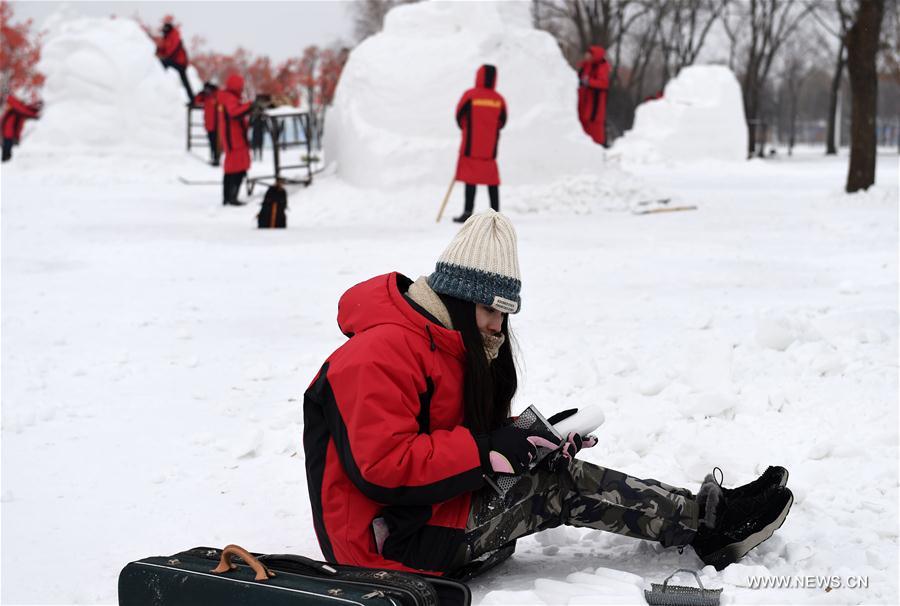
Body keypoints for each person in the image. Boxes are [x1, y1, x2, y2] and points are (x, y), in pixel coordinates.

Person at [302, 210, 794, 577]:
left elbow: (455, 439)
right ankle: (707, 524)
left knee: (553, 468)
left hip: (428, 511)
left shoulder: (452, 342)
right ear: (458, 296)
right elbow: (383, 466)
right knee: (554, 487)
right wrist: (488, 452)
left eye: (506, 313)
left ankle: (702, 515)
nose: (499, 326)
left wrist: (525, 441)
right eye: (491, 312)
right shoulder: (378, 355)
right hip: (387, 544)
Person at [452, 65, 507, 223]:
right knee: (491, 180)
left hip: (471, 146)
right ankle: (496, 214)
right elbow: (502, 121)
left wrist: (467, 128)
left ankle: (468, 211)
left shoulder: (470, 96)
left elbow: (459, 116)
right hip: (489, 148)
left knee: (471, 177)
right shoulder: (498, 99)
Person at [217, 73, 252, 206]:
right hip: (234, 139)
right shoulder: (230, 98)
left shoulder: (228, 97)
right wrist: (250, 106)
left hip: (235, 138)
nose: (242, 89)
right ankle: (232, 197)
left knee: (233, 168)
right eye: (241, 86)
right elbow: (234, 113)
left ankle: (228, 197)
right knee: (238, 169)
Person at [577, 46, 610, 146]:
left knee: (595, 132)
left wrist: (589, 82)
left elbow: (603, 83)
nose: (586, 56)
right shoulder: (585, 66)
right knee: (581, 128)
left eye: (589, 54)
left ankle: (597, 152)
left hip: (594, 108)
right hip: (582, 104)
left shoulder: (602, 66)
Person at [155, 22, 194, 102]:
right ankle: (192, 98)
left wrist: (166, 57)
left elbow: (173, 49)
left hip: (180, 62)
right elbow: (164, 50)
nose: (163, 33)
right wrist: (157, 50)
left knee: (162, 64)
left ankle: (159, 82)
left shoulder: (174, 35)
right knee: (185, 81)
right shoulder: (167, 38)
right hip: (175, 61)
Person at [2, 94, 42, 163]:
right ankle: (6, 162)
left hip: (9, 133)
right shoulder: (15, 106)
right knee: (7, 150)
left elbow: (25, 109)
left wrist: (35, 110)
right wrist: (35, 116)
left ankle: (7, 162)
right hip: (8, 133)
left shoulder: (14, 106)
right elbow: (24, 110)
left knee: (8, 149)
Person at [193, 82, 220, 166]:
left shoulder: (216, 95)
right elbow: (196, 100)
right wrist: (201, 93)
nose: (207, 91)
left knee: (217, 142)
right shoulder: (205, 97)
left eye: (208, 89)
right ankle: (214, 157)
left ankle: (216, 158)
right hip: (209, 124)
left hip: (217, 124)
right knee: (212, 142)